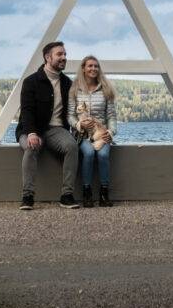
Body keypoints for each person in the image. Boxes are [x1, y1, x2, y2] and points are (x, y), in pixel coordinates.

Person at [16, 41, 80, 210]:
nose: (64, 58)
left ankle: (67, 195)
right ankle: (27, 197)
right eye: (60, 54)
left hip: (56, 130)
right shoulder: (31, 81)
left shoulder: (67, 83)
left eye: (65, 55)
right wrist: (31, 133)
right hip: (31, 129)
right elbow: (27, 110)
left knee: (72, 146)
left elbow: (73, 112)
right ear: (47, 57)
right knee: (31, 148)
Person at [68, 55, 117, 208]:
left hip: (101, 133)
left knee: (103, 154)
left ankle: (104, 194)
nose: (93, 69)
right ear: (83, 68)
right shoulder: (75, 89)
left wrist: (111, 131)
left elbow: (111, 116)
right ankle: (86, 192)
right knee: (88, 153)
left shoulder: (106, 89)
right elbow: (69, 115)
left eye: (96, 66)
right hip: (82, 135)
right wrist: (79, 124)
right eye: (90, 66)